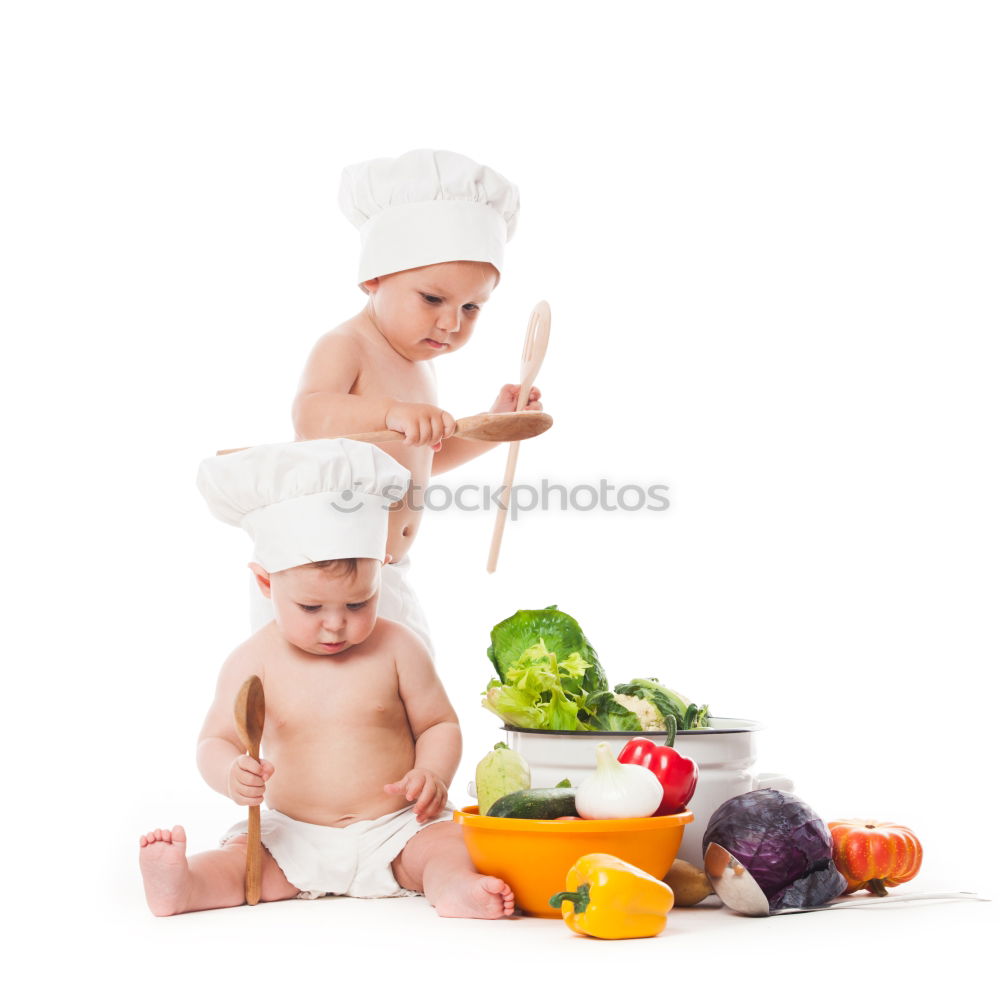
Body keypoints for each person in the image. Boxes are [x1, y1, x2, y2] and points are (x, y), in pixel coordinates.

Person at [139, 439, 515, 918]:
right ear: (266, 584)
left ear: (381, 573)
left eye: (358, 603)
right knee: (243, 865)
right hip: (292, 833)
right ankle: (185, 884)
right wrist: (231, 775)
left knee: (446, 847)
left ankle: (456, 887)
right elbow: (215, 740)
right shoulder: (252, 661)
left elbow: (439, 724)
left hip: (397, 826)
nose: (336, 624)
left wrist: (432, 774)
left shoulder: (398, 647)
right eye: (311, 607)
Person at [248, 149, 543, 646]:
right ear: (374, 278)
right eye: (432, 299)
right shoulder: (348, 345)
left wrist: (494, 425)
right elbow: (312, 414)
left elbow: (426, 456)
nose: (451, 323)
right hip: (320, 577)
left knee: (404, 683)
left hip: (381, 573)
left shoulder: (419, 370)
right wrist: (392, 412)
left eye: (471, 307)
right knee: (317, 699)